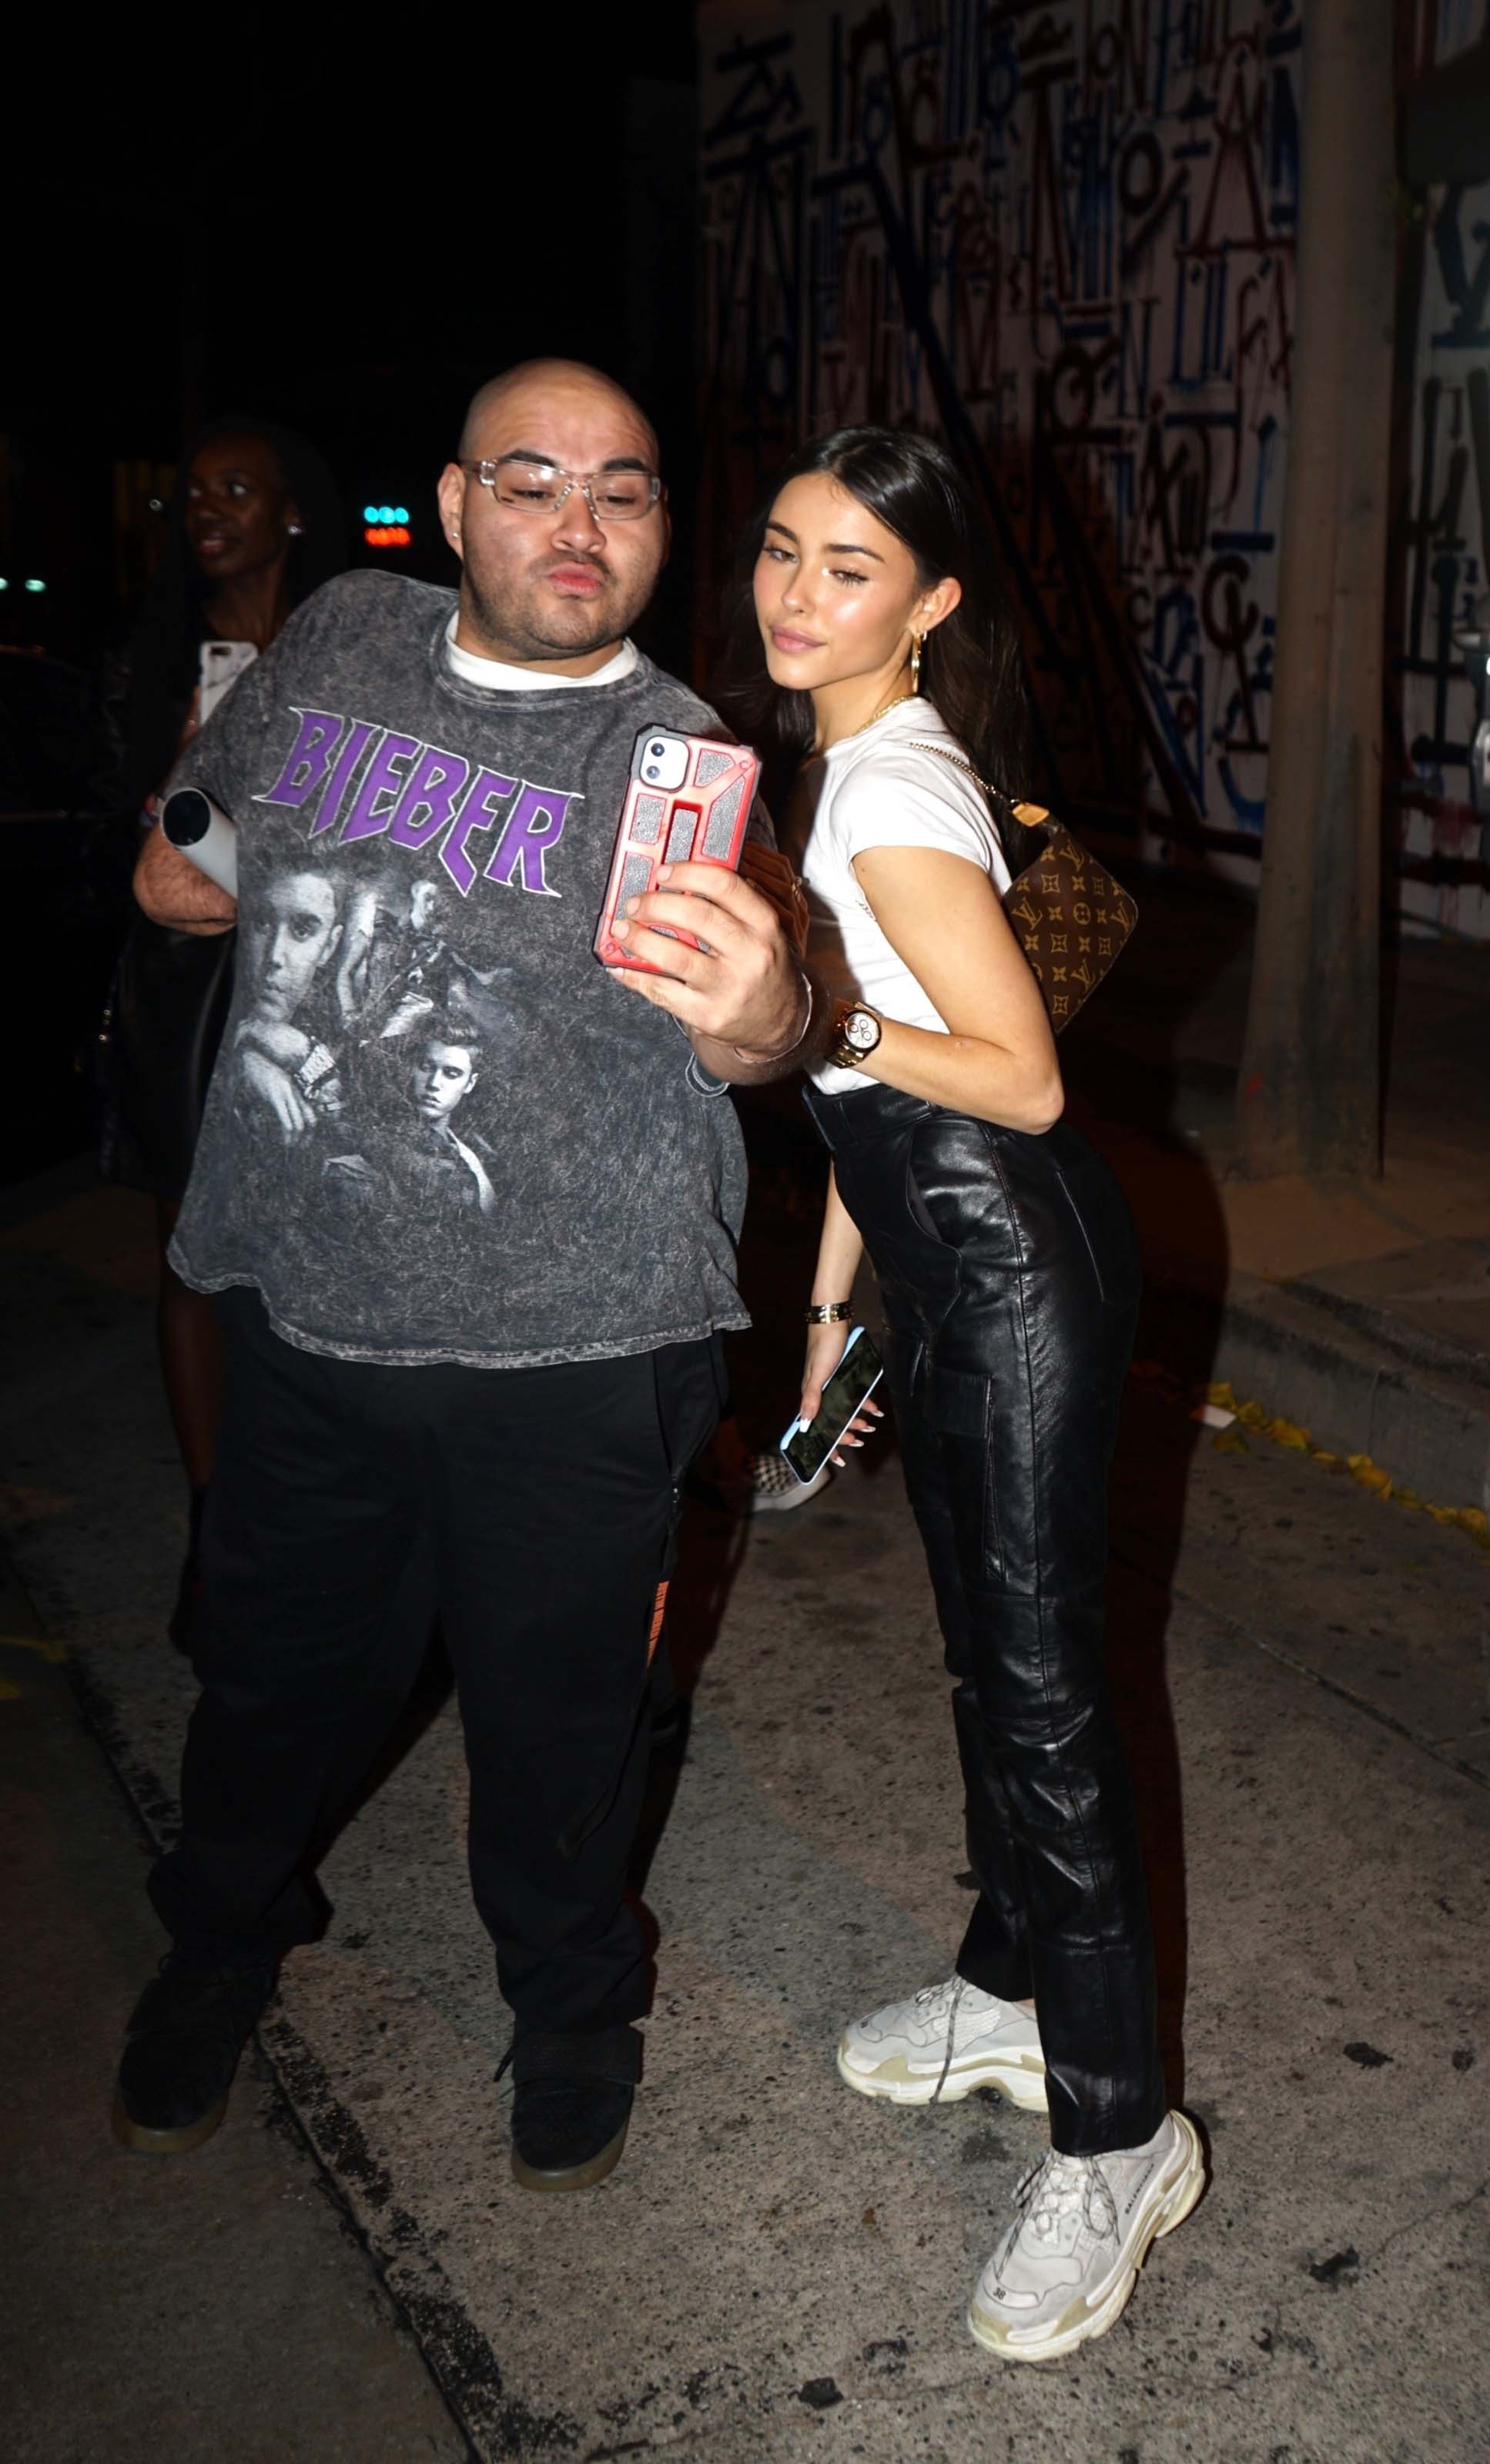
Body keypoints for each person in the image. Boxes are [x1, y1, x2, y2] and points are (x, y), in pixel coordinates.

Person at [116, 358, 822, 2194]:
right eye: (532, 481)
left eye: (623, 490)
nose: (579, 524)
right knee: (264, 1686)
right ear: (450, 505)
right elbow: (200, 835)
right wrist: (191, 846)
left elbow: (751, 1032)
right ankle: (219, 1945)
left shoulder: (673, 759)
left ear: (660, 527)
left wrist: (767, 1013)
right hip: (308, 1313)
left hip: (577, 1348)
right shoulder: (344, 634)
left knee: (558, 1723)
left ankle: (572, 2005)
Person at [715, 424, 1204, 2362]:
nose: (793, 592)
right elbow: (867, 1098)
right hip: (939, 1269)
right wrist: (832, 1314)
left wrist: (823, 1007)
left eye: (847, 568)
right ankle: (1007, 1986)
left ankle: (1118, 2131)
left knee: (1043, 1692)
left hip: (1011, 1273)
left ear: (924, 604)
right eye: (780, 548)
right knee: (988, 1662)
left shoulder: (893, 788)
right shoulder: (840, 763)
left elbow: (1011, 1074)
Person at [98, 420, 348, 1639]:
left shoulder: (348, 646)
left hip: (315, 977)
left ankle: (321, 1513)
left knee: (322, 1248)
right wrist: (181, 772)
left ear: (290, 510)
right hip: (192, 984)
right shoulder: (156, 658)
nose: (208, 510)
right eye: (195, 493)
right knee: (192, 1257)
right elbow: (135, 833)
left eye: (238, 489)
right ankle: (216, 1532)